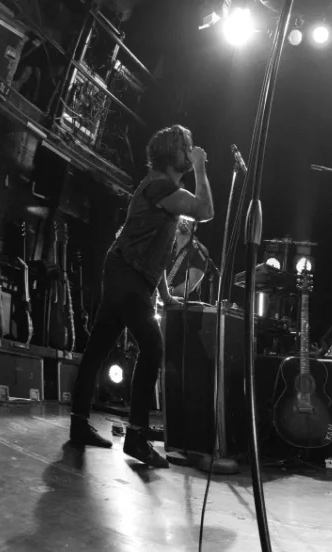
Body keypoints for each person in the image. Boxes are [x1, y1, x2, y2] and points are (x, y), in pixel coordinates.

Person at [68, 125, 215, 467]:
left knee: (98, 348)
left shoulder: (162, 190)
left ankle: (78, 425)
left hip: (126, 271)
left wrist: (164, 293)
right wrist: (202, 168)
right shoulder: (160, 186)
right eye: (187, 147)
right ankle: (136, 436)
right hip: (126, 275)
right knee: (153, 346)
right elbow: (205, 210)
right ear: (171, 153)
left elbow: (157, 249)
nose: (192, 150)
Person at [166, 217, 211, 301]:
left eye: (188, 217)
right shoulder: (165, 242)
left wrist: (164, 296)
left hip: (184, 308)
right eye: (182, 216)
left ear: (195, 226)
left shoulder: (200, 250)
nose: (184, 219)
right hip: (158, 301)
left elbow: (190, 285)